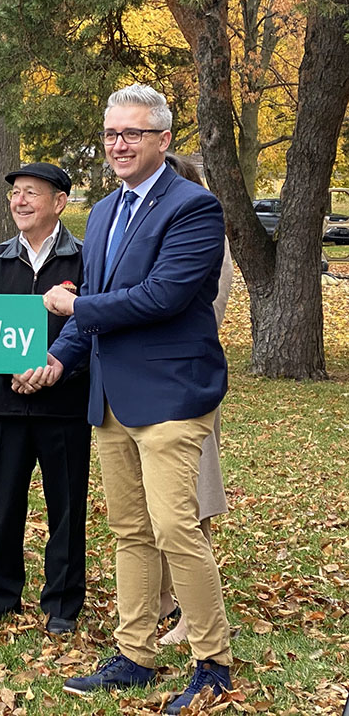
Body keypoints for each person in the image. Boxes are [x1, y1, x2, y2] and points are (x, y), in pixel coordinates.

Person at [19, 84, 233, 714]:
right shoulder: (107, 211)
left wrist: (74, 305)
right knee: (131, 531)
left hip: (171, 395)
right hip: (111, 398)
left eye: (132, 133)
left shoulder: (195, 208)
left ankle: (213, 664)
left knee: (175, 527)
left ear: (163, 140)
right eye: (112, 133)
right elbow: (98, 308)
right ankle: (137, 654)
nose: (118, 144)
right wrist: (60, 358)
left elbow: (162, 297)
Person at [0, 163, 90, 636]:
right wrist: (13, 367)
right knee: (4, 506)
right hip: (6, 405)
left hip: (64, 407)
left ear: (59, 202)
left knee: (66, 508)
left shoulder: (84, 259)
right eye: (15, 193)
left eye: (31, 193)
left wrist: (53, 372)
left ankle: (62, 603)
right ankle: (0, 597)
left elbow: (92, 327)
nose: (20, 201)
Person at [158, 152, 232, 646]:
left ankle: (193, 617)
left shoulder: (206, 234)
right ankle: (163, 598)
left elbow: (207, 310)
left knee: (191, 505)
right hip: (144, 388)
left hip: (187, 385)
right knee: (153, 506)